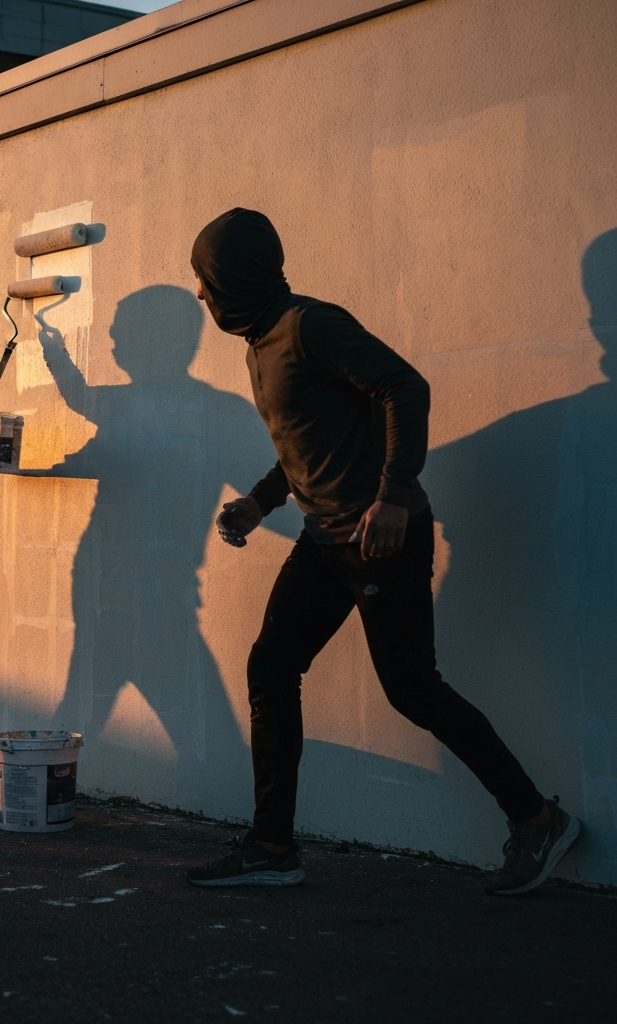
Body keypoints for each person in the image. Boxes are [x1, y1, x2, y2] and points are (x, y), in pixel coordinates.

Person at [184, 209, 580, 895]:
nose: (199, 294)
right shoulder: (260, 342)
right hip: (325, 538)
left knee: (412, 689)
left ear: (237, 278)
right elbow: (314, 439)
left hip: (378, 537)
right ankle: (272, 846)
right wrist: (259, 501)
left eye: (205, 279)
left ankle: (538, 817)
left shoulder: (310, 325)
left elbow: (404, 387)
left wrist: (394, 495)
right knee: (271, 668)